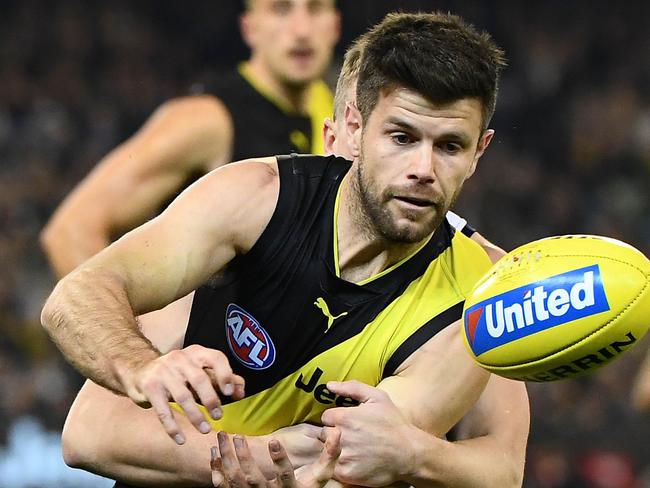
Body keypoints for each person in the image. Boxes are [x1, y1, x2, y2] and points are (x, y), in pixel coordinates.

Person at [43, 11, 527, 488]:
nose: (423, 168)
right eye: (401, 138)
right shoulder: (255, 200)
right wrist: (141, 366)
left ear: (479, 151)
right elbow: (88, 427)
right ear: (354, 130)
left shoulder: (481, 291)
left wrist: (417, 454)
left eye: (449, 147)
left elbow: (483, 468)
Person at [40, 0, 340, 279]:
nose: (302, 30)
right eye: (281, 9)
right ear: (250, 28)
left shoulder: (341, 120)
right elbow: (71, 231)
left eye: (315, 9)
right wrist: (131, 334)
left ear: (335, 25)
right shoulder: (209, 118)